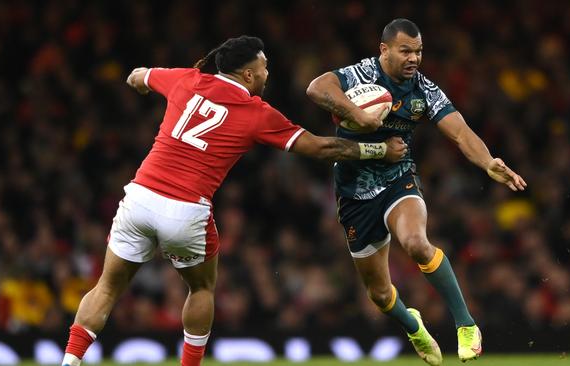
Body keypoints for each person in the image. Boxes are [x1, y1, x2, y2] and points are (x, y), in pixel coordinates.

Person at [60, 35, 407, 366]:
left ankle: (70, 359)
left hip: (140, 196)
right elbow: (321, 147)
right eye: (265, 67)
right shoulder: (256, 112)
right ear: (249, 74)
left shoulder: (186, 79)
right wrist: (378, 149)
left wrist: (140, 78)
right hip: (185, 209)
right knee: (201, 288)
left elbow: (139, 76)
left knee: (106, 288)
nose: (268, 74)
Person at [306, 19, 527, 365]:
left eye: (418, 51)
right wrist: (357, 116)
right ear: (385, 50)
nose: (413, 58)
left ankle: (466, 324)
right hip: (354, 192)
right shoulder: (361, 75)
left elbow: (460, 132)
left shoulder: (423, 90)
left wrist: (487, 162)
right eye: (405, 50)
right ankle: (414, 326)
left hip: (398, 178)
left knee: (416, 242)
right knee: (379, 294)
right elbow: (317, 88)